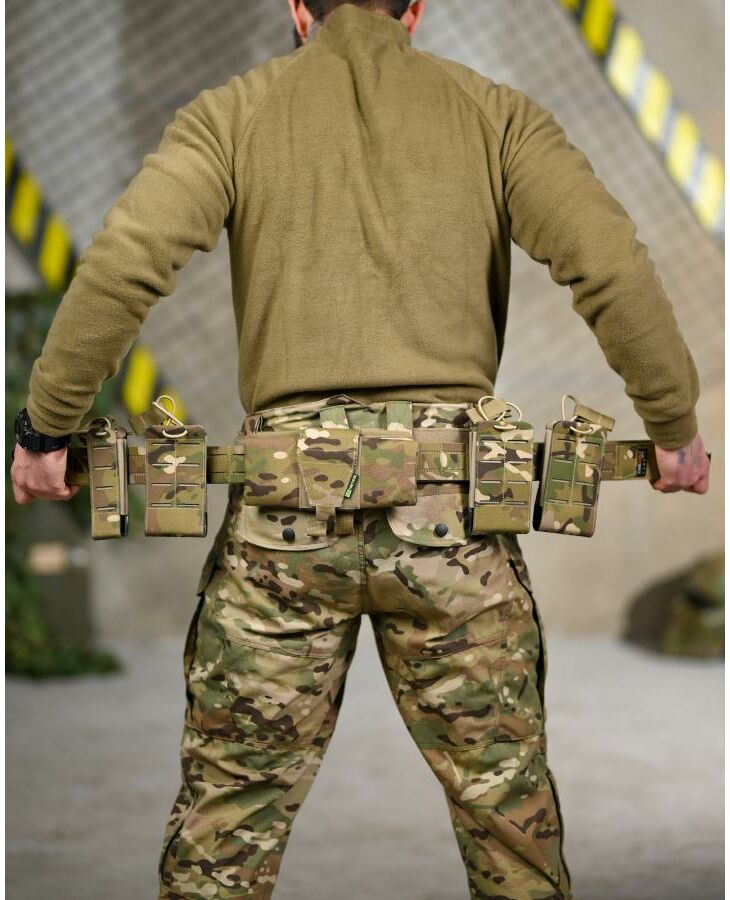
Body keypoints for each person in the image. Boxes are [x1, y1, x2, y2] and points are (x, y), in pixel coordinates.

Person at [11, 1, 709, 897]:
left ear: (299, 9)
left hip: (283, 522)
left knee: (230, 817)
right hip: (454, 521)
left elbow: (123, 265)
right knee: (507, 813)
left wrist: (47, 429)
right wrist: (672, 428)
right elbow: (610, 264)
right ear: (415, 11)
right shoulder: (497, 116)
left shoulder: (233, 112)